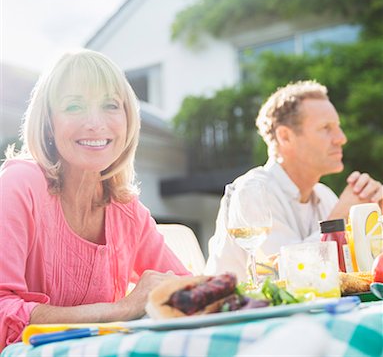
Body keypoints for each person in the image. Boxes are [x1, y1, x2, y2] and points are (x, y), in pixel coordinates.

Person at [0, 49, 190, 349]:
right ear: (49, 123)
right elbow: (2, 312)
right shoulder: (19, 185)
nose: (95, 123)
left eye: (110, 105)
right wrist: (121, 310)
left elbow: (186, 291)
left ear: (128, 119)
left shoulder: (127, 210)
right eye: (74, 106)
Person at [205, 80, 382, 282]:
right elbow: (287, 276)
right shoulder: (251, 191)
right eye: (326, 128)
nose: (341, 138)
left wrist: (375, 218)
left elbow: (353, 271)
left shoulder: (323, 195)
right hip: (240, 310)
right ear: (285, 136)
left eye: (338, 127)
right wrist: (339, 218)